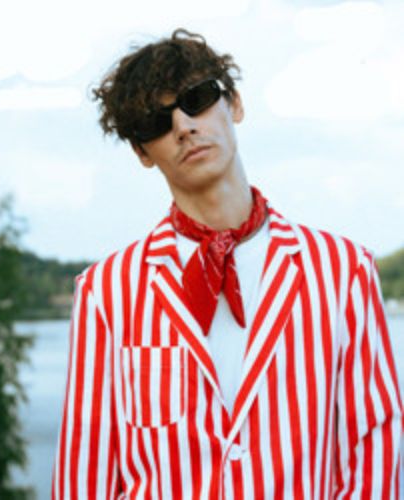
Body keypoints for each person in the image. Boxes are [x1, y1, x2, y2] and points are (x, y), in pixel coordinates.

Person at [52, 28, 403, 499]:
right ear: (141, 152)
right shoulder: (107, 292)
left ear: (234, 103)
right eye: (156, 122)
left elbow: (374, 454)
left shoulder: (344, 272)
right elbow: (85, 475)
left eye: (196, 99)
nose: (183, 126)